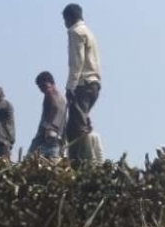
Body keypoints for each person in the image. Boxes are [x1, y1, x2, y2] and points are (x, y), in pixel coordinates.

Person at [62, 3, 102, 164]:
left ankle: (82, 164)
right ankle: (82, 161)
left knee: (75, 129)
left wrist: (70, 86)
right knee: (77, 124)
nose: (65, 24)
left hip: (82, 84)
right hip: (94, 84)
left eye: (65, 20)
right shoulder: (89, 32)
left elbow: (77, 62)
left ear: (69, 17)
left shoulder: (75, 32)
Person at [28, 71, 67, 159]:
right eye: (40, 87)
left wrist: (48, 126)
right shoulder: (62, 98)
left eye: (43, 86)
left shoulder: (49, 93)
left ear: (51, 83)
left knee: (30, 158)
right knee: (54, 159)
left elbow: (55, 107)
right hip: (57, 136)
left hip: (47, 134)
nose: (42, 89)